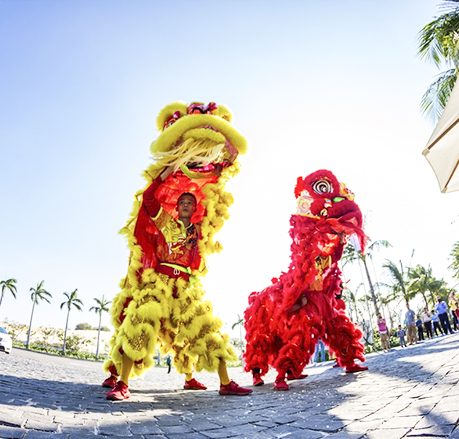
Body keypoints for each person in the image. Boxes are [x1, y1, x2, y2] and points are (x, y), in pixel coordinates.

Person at [102, 101, 252, 400]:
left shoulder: (197, 228)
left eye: (190, 204)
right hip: (156, 280)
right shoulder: (164, 222)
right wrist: (167, 171)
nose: (186, 205)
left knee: (207, 329)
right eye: (181, 203)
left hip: (185, 284)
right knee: (138, 324)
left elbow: (225, 169)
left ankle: (222, 382)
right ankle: (121, 381)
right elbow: (150, 200)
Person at [243, 170, 368, 391]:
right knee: (296, 332)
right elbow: (302, 260)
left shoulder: (333, 248)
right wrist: (294, 300)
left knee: (338, 326)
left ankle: (348, 361)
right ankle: (272, 373)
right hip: (304, 297)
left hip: (322, 299)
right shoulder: (307, 247)